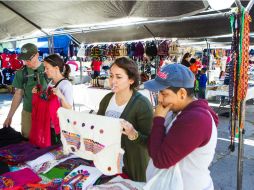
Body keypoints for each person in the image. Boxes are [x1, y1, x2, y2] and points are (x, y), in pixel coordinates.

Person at [144, 64, 218, 190]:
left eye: (163, 93)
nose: (159, 99)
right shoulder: (174, 111)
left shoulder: (196, 119)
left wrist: (158, 120)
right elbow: (152, 148)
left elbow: (160, 160)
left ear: (182, 93)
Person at [97, 57, 153, 182]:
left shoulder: (142, 104)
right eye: (111, 76)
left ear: (131, 80)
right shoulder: (107, 99)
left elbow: (150, 141)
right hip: (109, 161)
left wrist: (133, 134)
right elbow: (98, 125)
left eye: (118, 77)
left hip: (133, 164)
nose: (113, 81)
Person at [3, 43, 48, 138]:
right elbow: (18, 94)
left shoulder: (48, 68)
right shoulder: (21, 73)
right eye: (23, 59)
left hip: (47, 112)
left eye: (28, 59)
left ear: (37, 55)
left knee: (47, 142)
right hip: (28, 113)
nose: (26, 62)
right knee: (27, 140)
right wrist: (9, 116)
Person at [31, 54, 73, 145]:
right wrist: (38, 94)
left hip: (60, 128)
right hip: (50, 127)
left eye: (47, 68)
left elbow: (70, 109)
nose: (45, 71)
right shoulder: (51, 83)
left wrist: (61, 96)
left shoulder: (66, 85)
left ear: (56, 68)